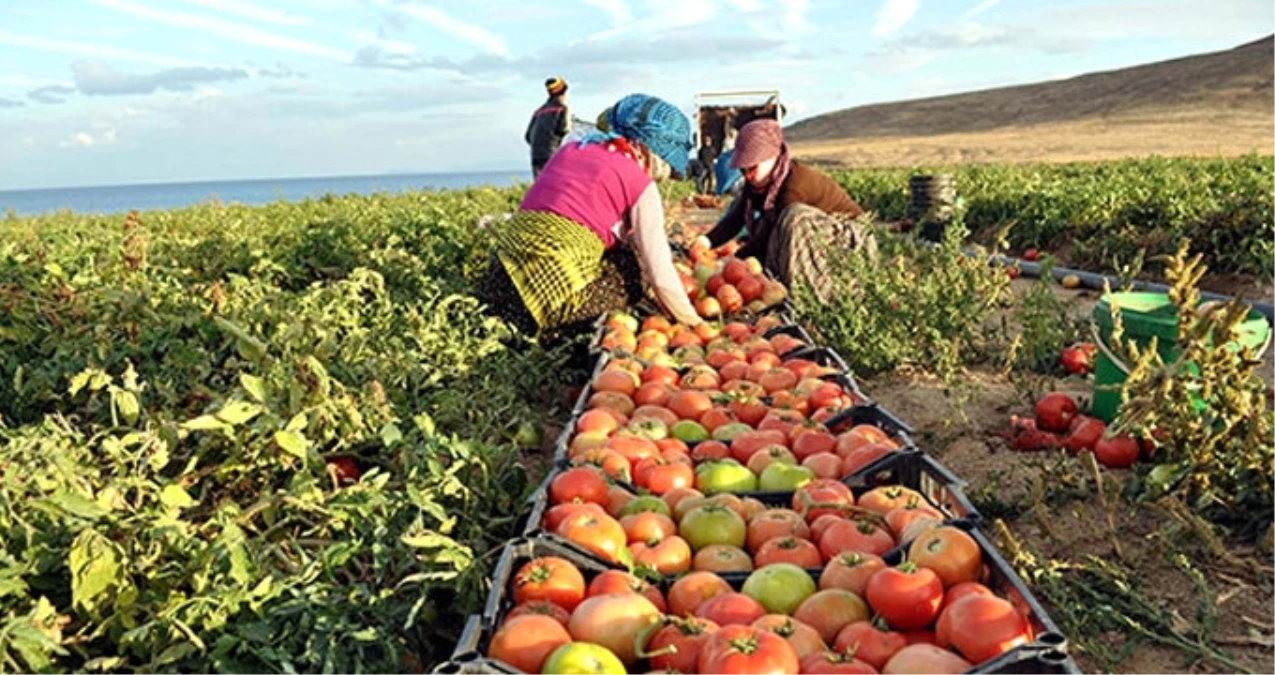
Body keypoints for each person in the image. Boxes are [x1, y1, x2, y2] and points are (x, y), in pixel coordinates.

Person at [481, 93, 703, 339]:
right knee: (636, 265)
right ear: (656, 153)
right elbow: (659, 273)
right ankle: (558, 332)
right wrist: (693, 323)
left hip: (499, 287)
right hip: (551, 306)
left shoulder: (570, 150)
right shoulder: (639, 182)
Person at [701, 118, 876, 300]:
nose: (746, 174)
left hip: (846, 239)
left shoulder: (795, 183)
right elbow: (735, 219)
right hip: (814, 235)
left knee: (793, 217)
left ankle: (815, 295)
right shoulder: (757, 184)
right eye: (743, 170)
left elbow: (772, 231)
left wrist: (735, 261)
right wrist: (705, 242)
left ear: (772, 157)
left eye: (751, 167)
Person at [525, 77, 571, 178]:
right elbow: (564, 130)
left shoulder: (538, 112)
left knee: (540, 186)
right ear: (564, 92)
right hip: (552, 155)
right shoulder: (562, 109)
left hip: (536, 155)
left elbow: (528, 136)